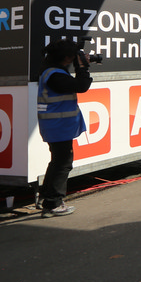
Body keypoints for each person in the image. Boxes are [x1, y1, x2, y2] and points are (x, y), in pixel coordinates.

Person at [36, 40, 93, 218]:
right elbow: (82, 86)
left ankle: (46, 197)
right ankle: (53, 203)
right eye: (74, 56)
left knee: (57, 162)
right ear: (67, 57)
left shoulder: (51, 71)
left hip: (56, 126)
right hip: (58, 126)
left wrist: (80, 64)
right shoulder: (55, 75)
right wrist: (82, 67)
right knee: (63, 164)